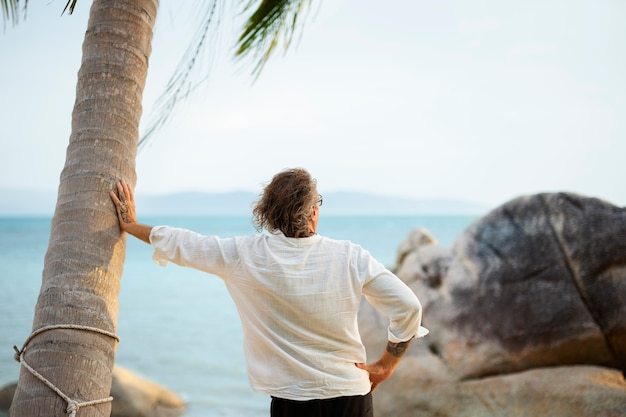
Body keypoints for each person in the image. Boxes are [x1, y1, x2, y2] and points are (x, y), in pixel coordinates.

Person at [110, 168, 428, 417]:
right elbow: (409, 307)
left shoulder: (242, 255)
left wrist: (130, 225)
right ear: (313, 211)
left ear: (268, 211)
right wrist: (386, 365)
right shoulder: (350, 256)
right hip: (350, 396)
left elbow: (183, 243)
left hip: (293, 403)